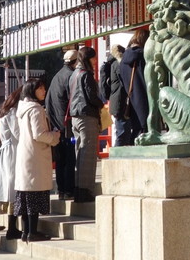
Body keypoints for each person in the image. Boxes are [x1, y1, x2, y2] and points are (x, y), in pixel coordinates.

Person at [14, 77, 58, 242]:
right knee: (34, 194)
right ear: (33, 90)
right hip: (35, 155)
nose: (44, 91)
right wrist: (54, 136)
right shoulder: (36, 109)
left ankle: (26, 231)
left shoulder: (22, 108)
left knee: (26, 195)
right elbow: (39, 134)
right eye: (41, 88)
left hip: (26, 154)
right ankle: (33, 232)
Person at [69, 46, 102, 203]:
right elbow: (91, 97)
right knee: (88, 155)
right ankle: (86, 190)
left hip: (75, 117)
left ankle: (78, 189)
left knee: (80, 153)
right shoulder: (87, 75)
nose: (95, 61)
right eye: (93, 58)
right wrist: (101, 104)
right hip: (87, 116)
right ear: (88, 59)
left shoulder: (74, 74)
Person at [45, 50, 78, 199]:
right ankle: (69, 189)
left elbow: (48, 102)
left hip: (56, 124)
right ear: (76, 61)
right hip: (68, 125)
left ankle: (62, 190)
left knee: (60, 160)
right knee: (70, 158)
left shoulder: (56, 76)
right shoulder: (72, 76)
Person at [0, 86, 23, 228]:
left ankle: (13, 225)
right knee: (13, 187)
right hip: (13, 151)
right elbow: (18, 133)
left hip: (9, 151)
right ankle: (12, 226)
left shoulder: (6, 111)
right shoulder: (12, 112)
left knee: (11, 186)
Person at [119, 28, 149, 146]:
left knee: (136, 130)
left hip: (131, 99)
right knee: (145, 129)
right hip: (144, 97)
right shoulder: (142, 56)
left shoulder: (123, 59)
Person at [101, 45, 128, 146]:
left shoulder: (111, 63)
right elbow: (124, 79)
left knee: (121, 131)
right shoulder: (117, 64)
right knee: (122, 132)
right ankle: (117, 157)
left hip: (116, 101)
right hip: (120, 102)